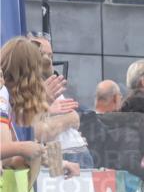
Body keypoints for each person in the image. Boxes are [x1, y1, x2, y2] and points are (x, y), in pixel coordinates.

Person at [0, 37, 80, 178]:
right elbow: (11, 149)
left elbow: (10, 159)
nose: (39, 79)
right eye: (37, 72)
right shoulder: (2, 94)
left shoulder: (6, 98)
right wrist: (24, 147)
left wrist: (60, 163)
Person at [27, 32, 93, 168]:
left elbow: (74, 120)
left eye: (50, 55)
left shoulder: (50, 84)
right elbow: (38, 132)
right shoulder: (26, 87)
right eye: (42, 54)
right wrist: (69, 119)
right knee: (59, 185)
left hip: (77, 153)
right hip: (57, 154)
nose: (48, 60)